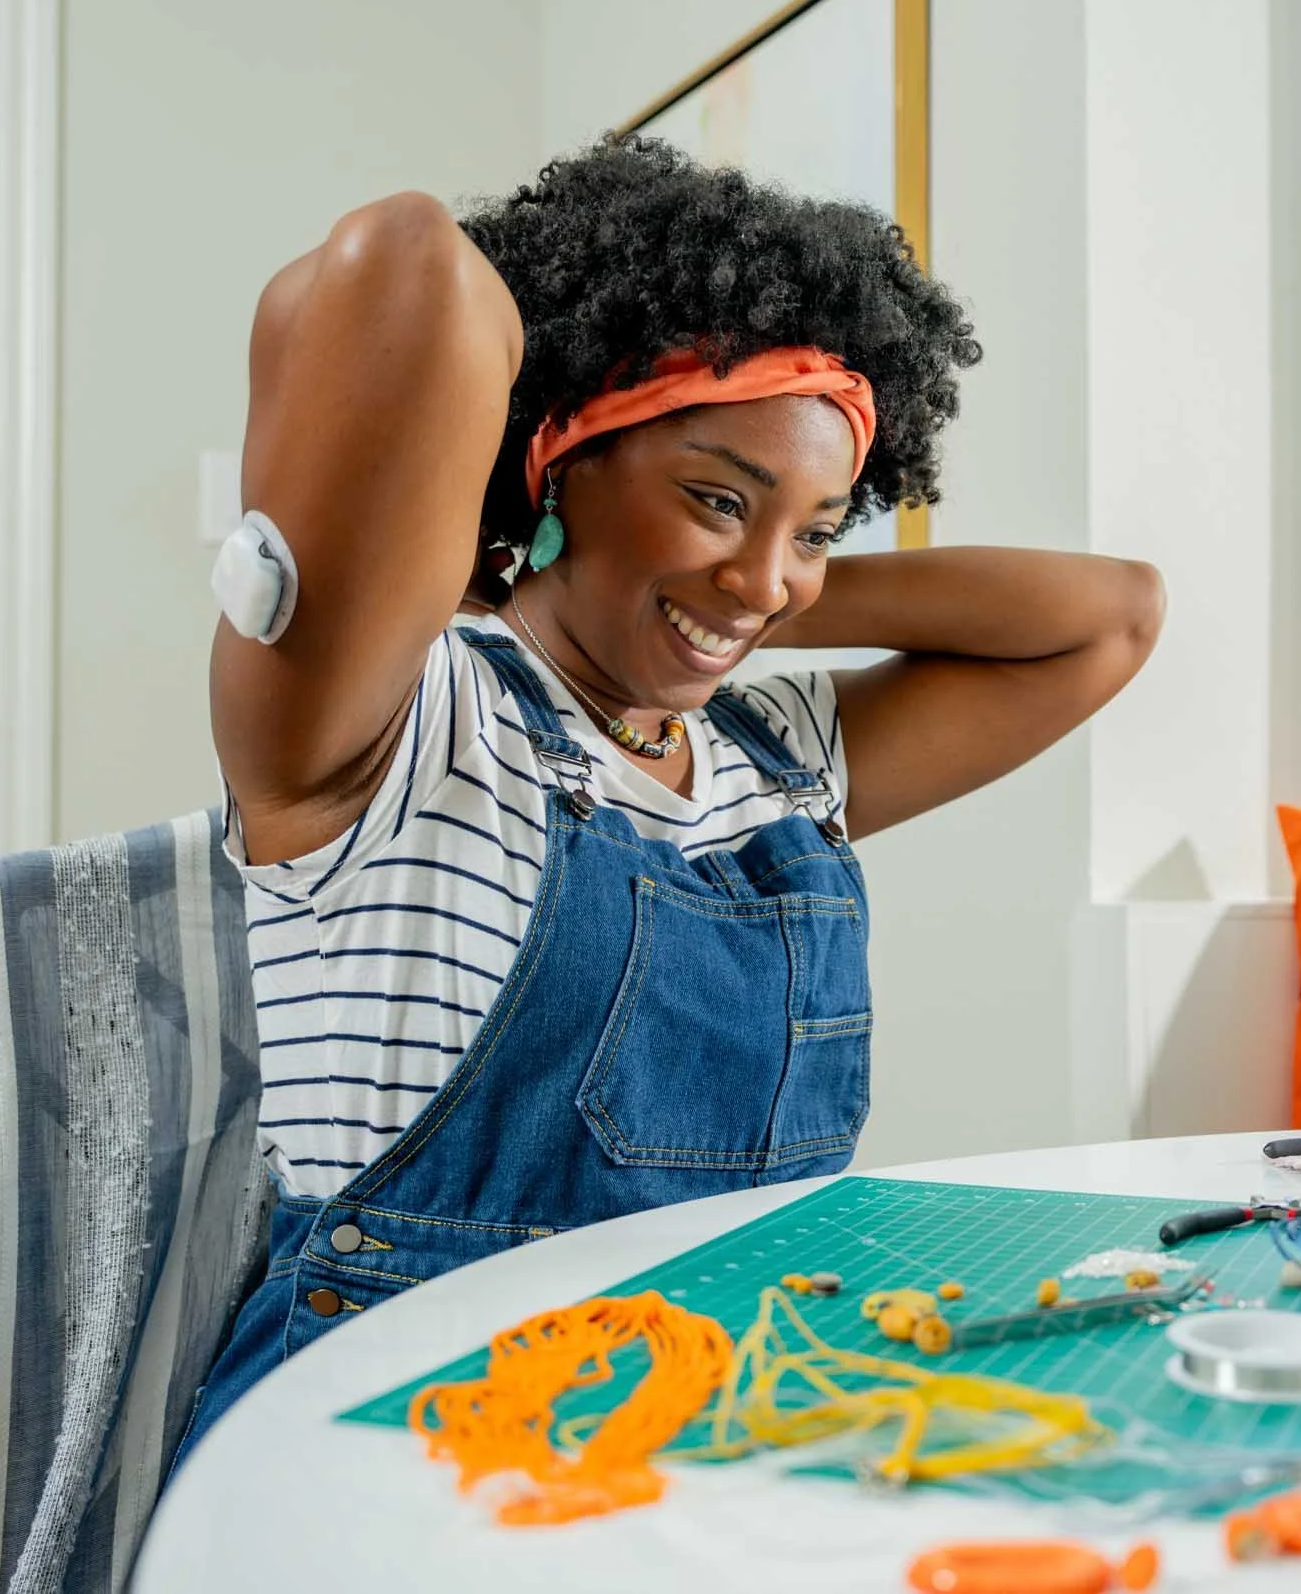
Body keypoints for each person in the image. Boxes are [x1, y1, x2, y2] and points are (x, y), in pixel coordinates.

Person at [184, 136, 1163, 1455]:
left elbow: (1114, 617)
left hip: (704, 1417)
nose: (772, 575)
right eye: (715, 497)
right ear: (556, 466)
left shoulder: (776, 763)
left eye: (818, 527)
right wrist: (514, 544)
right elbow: (407, 265)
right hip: (382, 1435)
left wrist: (741, 588)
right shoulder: (404, 720)